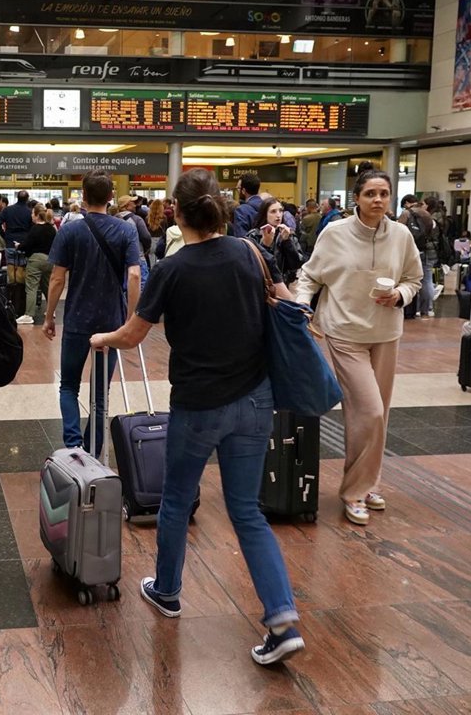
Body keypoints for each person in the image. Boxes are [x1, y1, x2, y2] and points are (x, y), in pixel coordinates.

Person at [90, 168, 304, 666]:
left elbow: (133, 335)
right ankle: (282, 619)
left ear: (176, 213)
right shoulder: (251, 252)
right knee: (246, 511)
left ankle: (167, 591)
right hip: (255, 399)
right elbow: (287, 303)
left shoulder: (173, 268)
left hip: (198, 405)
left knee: (176, 500)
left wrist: (101, 339)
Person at [294, 170, 423, 526]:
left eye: (384, 193)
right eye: (370, 193)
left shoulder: (401, 235)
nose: (378, 200)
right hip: (344, 332)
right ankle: (354, 492)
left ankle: (369, 483)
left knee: (379, 414)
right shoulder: (335, 233)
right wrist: (302, 304)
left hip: (386, 333)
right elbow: (310, 276)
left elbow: (414, 278)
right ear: (357, 198)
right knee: (369, 411)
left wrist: (400, 294)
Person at [43, 171, 141, 455]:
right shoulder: (126, 230)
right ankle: (93, 450)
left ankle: (73, 446)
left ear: (83, 196)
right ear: (111, 196)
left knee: (68, 386)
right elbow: (135, 275)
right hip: (111, 322)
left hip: (77, 318)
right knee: (100, 394)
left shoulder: (70, 231)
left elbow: (57, 279)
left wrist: (49, 316)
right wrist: (130, 319)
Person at [246, 196, 305, 283]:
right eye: (273, 211)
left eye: (281, 211)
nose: (278, 215)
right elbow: (251, 266)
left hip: (283, 284)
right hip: (260, 284)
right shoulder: (254, 235)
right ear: (264, 214)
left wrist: (287, 242)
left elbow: (297, 264)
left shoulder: (287, 233)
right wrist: (265, 246)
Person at [397, 195, 439, 318]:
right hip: (428, 251)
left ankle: (411, 309)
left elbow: (399, 232)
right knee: (427, 280)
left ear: (407, 203)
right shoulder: (428, 216)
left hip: (413, 250)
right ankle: (427, 309)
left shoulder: (407, 213)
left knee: (409, 279)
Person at [15, 203, 56, 325]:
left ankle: (29, 314)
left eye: (33, 213)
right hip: (50, 260)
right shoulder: (51, 228)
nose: (31, 215)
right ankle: (51, 311)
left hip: (36, 260)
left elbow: (27, 245)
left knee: (31, 286)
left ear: (37, 215)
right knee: (47, 286)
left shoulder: (35, 229)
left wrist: (18, 246)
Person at [0, 190, 33, 280]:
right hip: (24, 243)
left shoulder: (8, 210)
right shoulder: (30, 212)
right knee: (22, 268)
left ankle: (11, 287)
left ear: (17, 198)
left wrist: (4, 234)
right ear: (27, 199)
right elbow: (33, 227)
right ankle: (20, 287)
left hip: (10, 242)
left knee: (10, 267)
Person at [116, 195, 152, 289]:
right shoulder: (137, 219)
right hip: (137, 257)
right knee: (141, 286)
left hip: (118, 259)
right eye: (133, 203)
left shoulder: (113, 219)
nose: (135, 205)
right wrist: (145, 250)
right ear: (126, 205)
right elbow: (146, 237)